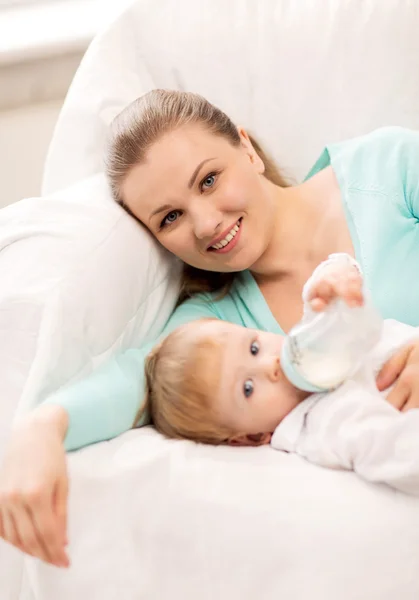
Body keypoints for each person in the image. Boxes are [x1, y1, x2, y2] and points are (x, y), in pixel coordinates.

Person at [2, 89, 419, 568]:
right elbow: (136, 377)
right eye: (170, 217)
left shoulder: (387, 169)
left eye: (208, 180)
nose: (203, 224)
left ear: (246, 148)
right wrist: (42, 427)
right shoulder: (220, 326)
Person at [142, 257, 419, 496]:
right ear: (251, 438)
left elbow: (324, 298)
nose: (270, 365)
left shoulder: (307, 350)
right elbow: (398, 453)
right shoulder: (326, 422)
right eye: (248, 388)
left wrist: (332, 281)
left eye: (253, 348)